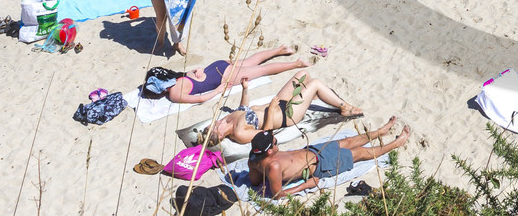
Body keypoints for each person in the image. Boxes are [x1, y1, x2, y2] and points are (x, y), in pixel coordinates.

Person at [247, 121, 411, 199]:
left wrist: (260, 176)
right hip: (322, 165)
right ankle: (396, 143)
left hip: (313, 150)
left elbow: (254, 181)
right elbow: (277, 194)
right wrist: (305, 185)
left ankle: (380, 132)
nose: (277, 142)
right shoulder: (273, 166)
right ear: (269, 151)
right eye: (275, 142)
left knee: (349, 141)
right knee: (359, 152)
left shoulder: (253, 159)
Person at [205, 69, 362, 146]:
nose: (217, 122)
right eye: (215, 126)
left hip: (279, 103)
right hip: (288, 114)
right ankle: (345, 108)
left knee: (303, 74)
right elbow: (266, 135)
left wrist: (245, 89)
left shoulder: (227, 120)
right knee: (315, 83)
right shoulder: (239, 134)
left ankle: (311, 96)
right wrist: (272, 110)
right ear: (220, 135)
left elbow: (243, 109)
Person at [165, 46, 307, 104]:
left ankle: (296, 64)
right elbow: (196, 71)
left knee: (262, 70)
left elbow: (201, 99)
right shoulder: (176, 77)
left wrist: (217, 91)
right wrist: (199, 71)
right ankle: (279, 50)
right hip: (216, 66)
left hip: (222, 76)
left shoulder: (174, 94)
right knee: (251, 61)